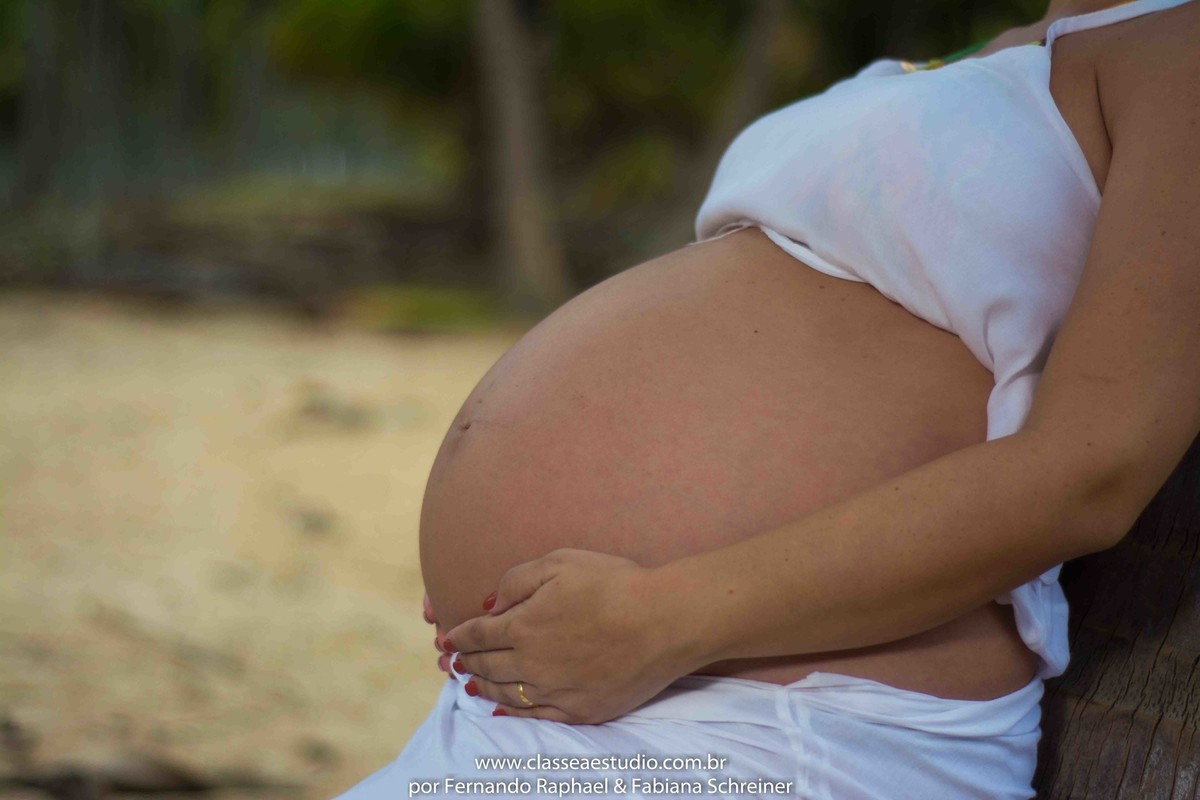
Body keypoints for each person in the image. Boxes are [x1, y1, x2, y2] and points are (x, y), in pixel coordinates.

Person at [337, 0, 1200, 796]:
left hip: (780, 722)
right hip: (578, 704)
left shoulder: (1177, 44)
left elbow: (1094, 468)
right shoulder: (997, 54)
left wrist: (658, 620)